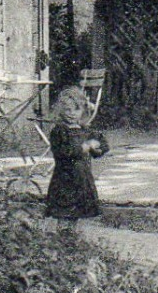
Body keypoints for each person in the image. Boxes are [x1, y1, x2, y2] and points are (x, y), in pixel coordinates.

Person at [43, 85, 109, 232]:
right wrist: (83, 148)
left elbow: (102, 145)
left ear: (83, 111)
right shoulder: (59, 131)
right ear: (61, 111)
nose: (72, 114)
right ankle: (62, 239)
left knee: (76, 213)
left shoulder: (85, 130)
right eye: (68, 110)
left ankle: (71, 240)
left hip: (81, 178)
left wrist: (97, 147)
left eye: (77, 109)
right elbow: (62, 152)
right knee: (64, 213)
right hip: (65, 180)